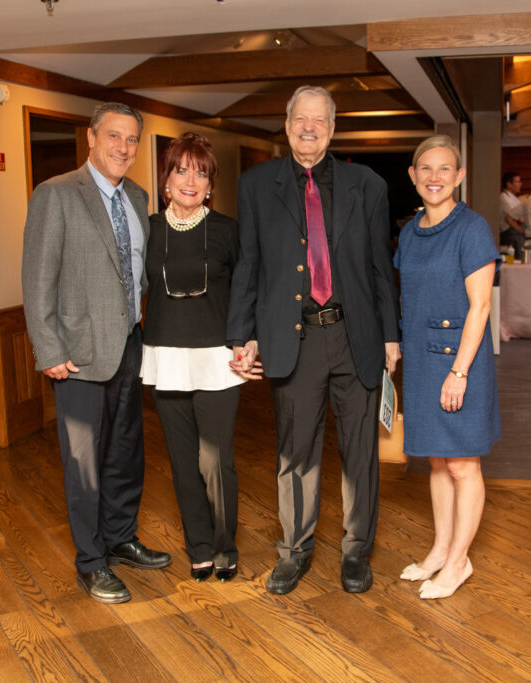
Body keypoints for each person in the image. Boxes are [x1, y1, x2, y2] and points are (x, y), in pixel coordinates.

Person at [228, 85, 400, 595]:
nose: (309, 127)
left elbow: (379, 267)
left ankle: (355, 553)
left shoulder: (366, 184)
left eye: (319, 120)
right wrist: (243, 336)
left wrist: (391, 335)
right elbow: (249, 264)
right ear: (286, 125)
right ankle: (295, 551)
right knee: (295, 453)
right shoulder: (257, 185)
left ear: (333, 127)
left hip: (356, 336)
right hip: (293, 340)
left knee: (360, 452)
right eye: (300, 119)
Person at [22, 102, 171, 606]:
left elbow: (139, 274)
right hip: (79, 356)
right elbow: (38, 277)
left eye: (131, 139)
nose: (124, 148)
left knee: (126, 453)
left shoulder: (138, 195)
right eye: (114, 136)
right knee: (84, 464)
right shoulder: (57, 194)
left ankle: (120, 536)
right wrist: (48, 347)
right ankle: (91, 562)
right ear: (91, 137)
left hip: (129, 345)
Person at [394, 135, 500, 600]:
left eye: (445, 169)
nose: (434, 177)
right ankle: (440, 550)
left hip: (460, 362)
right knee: (437, 461)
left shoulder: (472, 229)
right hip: (420, 358)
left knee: (462, 463)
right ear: (414, 177)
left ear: (459, 177)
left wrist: (458, 373)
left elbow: (480, 308)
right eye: (426, 169)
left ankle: (458, 563)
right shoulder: (409, 230)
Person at [141, 132, 246, 583]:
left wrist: (249, 340)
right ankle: (199, 546)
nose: (190, 180)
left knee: (214, 460)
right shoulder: (148, 229)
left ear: (210, 184)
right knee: (183, 460)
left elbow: (246, 293)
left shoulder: (226, 230)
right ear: (166, 180)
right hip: (165, 355)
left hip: (217, 359)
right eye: (181, 170)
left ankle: (224, 544)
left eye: (201, 172)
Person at [499, 171, 526, 254]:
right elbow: (518, 218)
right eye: (517, 181)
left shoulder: (514, 197)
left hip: (515, 232)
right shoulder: (504, 197)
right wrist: (522, 230)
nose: (520, 184)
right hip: (509, 233)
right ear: (509, 184)